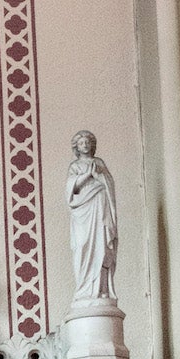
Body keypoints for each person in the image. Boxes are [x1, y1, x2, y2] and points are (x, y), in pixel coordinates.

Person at [68, 129, 118, 303]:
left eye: (88, 142)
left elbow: (108, 183)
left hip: (100, 208)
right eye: (81, 143)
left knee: (101, 247)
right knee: (82, 246)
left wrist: (99, 175)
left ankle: (101, 289)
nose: (85, 145)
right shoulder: (75, 166)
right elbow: (71, 190)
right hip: (82, 213)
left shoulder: (99, 163)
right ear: (77, 147)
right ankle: (84, 289)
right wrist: (88, 174)